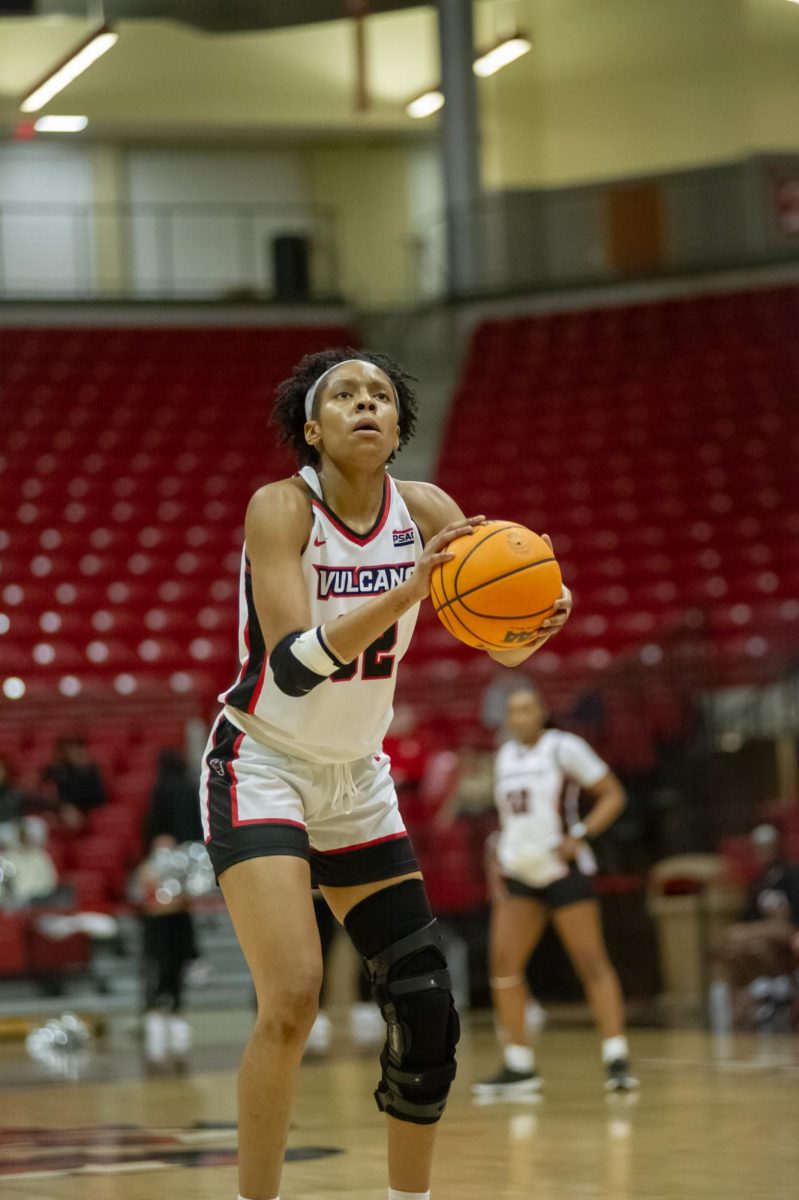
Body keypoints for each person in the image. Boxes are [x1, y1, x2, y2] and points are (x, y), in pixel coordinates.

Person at [198, 349, 572, 1200]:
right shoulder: (281, 507)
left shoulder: (431, 509)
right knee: (292, 995)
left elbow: (493, 635)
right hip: (262, 761)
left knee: (426, 1005)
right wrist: (411, 588)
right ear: (312, 425)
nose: (365, 405)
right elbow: (293, 666)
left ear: (399, 426)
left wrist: (535, 623)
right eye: (344, 396)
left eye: (380, 397)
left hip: (356, 779)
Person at [473, 685, 637, 1097]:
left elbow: (613, 794)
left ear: (542, 712)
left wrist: (580, 834)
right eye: (513, 710)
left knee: (591, 961)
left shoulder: (564, 748)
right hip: (519, 871)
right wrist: (498, 858)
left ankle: (616, 1057)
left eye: (527, 708)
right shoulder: (504, 755)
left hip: (562, 868)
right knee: (504, 965)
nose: (520, 717)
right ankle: (518, 1065)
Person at [137, 749, 205, 1066]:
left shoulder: (177, 865)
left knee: (169, 964)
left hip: (172, 917)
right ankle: (162, 1015)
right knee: (165, 966)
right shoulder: (150, 867)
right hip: (164, 918)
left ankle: (167, 1015)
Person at [714, 824, 799, 1030]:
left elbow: (792, 921)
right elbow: (747, 916)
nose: (763, 852)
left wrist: (751, 931)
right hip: (765, 940)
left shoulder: (792, 876)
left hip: (790, 932)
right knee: (739, 951)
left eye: (767, 847)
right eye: (759, 847)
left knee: (740, 936)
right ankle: (744, 1008)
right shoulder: (758, 883)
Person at [41, 736, 107, 832]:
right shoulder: (56, 770)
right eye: (68, 750)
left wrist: (83, 771)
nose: (72, 753)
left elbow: (99, 797)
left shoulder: (91, 771)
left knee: (70, 815)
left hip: (84, 807)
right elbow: (47, 791)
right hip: (60, 806)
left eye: (75, 749)